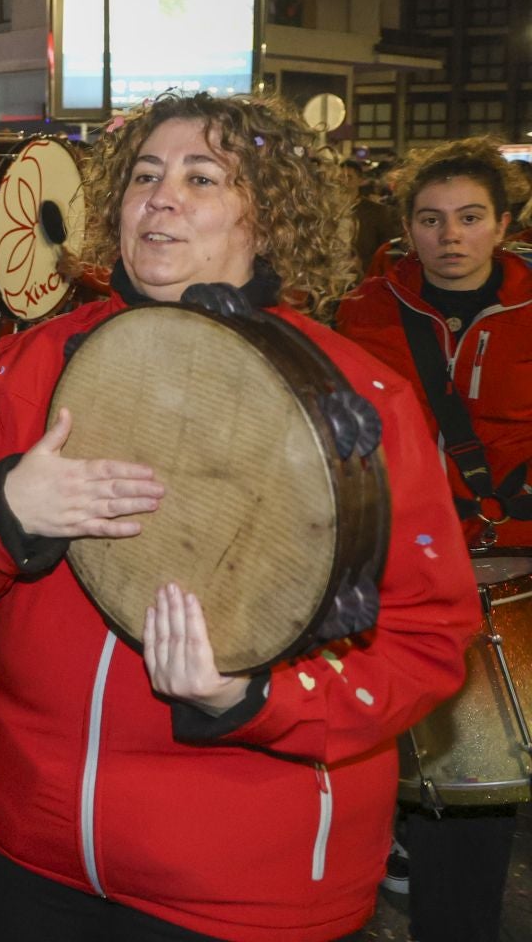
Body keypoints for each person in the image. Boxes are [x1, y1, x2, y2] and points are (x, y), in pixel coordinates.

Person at [0, 92, 478, 941]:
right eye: (143, 175)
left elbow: (427, 641)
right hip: (30, 841)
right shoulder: (35, 359)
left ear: (267, 217)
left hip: (242, 886)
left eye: (201, 176)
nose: (160, 197)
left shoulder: (360, 398)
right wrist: (7, 508)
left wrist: (255, 695)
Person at [335, 137, 531, 942]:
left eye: (470, 217)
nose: (450, 235)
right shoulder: (363, 313)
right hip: (413, 572)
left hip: (520, 563)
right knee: (456, 789)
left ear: (506, 223)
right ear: (407, 227)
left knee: (479, 798)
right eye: (430, 218)